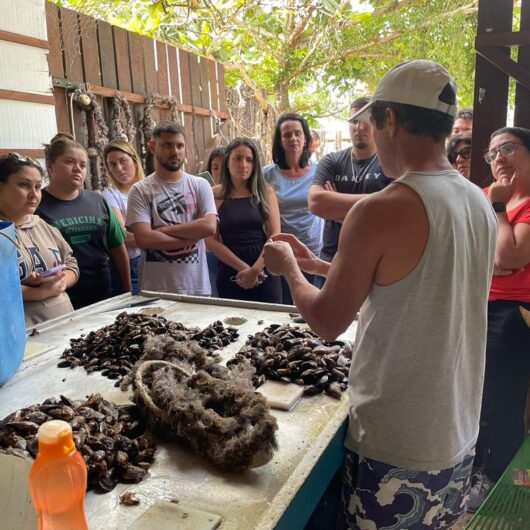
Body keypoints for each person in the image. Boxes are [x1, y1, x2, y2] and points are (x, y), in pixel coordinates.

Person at [264, 60, 497, 528]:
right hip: (455, 427)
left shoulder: (382, 209)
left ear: (390, 120)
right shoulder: (476, 200)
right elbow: (417, 283)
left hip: (396, 439)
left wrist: (289, 269)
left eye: (371, 120)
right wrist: (318, 265)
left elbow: (328, 323)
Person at [469, 127, 530, 511]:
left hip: (513, 314)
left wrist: (497, 208)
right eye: (492, 154)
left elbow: (508, 258)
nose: (499, 159)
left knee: (501, 401)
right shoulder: (506, 202)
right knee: (483, 396)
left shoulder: (515, 203)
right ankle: (486, 473)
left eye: (508, 148)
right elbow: (485, 257)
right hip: (487, 305)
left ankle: (496, 482)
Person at [37, 134, 130, 309]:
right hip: (60, 300)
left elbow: (118, 248)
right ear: (50, 167)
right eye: (69, 162)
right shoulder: (36, 205)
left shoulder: (97, 200)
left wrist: (127, 290)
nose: (77, 169)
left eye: (83, 165)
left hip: (103, 294)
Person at [126, 121, 217, 295]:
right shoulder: (140, 190)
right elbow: (144, 239)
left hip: (196, 288)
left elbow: (209, 227)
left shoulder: (200, 185)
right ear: (153, 147)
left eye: (180, 146)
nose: (175, 152)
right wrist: (191, 238)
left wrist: (164, 230)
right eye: (167, 145)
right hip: (156, 291)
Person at [308, 96, 393, 268]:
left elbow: (392, 212)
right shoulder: (331, 161)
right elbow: (316, 202)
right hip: (330, 259)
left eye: (366, 121)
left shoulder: (390, 164)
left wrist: (335, 202)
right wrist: (377, 200)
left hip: (374, 264)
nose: (359, 127)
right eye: (354, 121)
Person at [0, 152, 79, 327]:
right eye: (24, 185)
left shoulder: (43, 225)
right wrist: (39, 293)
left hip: (64, 322)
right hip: (21, 332)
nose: (33, 194)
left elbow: (71, 264)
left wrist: (58, 281)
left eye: (37, 187)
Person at [206, 137, 281, 303]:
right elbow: (211, 240)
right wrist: (245, 269)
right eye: (238, 158)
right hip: (231, 269)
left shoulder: (266, 193)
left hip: (265, 267)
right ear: (227, 162)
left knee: (271, 324)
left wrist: (255, 269)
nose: (244, 165)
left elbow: (275, 235)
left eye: (249, 160)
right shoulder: (214, 195)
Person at [263, 113, 322, 303]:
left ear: (306, 138)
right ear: (280, 141)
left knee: (311, 306)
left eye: (298, 133)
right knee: (286, 309)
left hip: (313, 251)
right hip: (282, 251)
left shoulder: (320, 171)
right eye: (287, 135)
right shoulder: (267, 174)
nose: (293, 139)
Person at [102, 140, 144, 295]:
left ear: (134, 160)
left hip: (159, 262)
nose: (119, 168)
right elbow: (122, 237)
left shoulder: (149, 188)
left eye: (123, 161)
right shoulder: (110, 195)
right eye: (112, 164)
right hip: (131, 263)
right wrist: (157, 238)